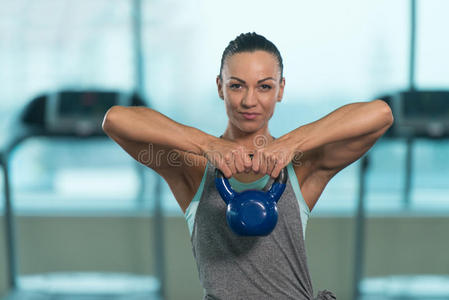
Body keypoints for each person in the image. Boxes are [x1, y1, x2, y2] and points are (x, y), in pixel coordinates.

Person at [102, 32, 394, 300]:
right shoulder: (192, 167)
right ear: (220, 87)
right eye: (237, 86)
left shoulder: (302, 167)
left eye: (264, 87)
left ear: (280, 89)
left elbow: (380, 114)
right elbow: (115, 120)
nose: (249, 101)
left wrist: (291, 143)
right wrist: (207, 145)